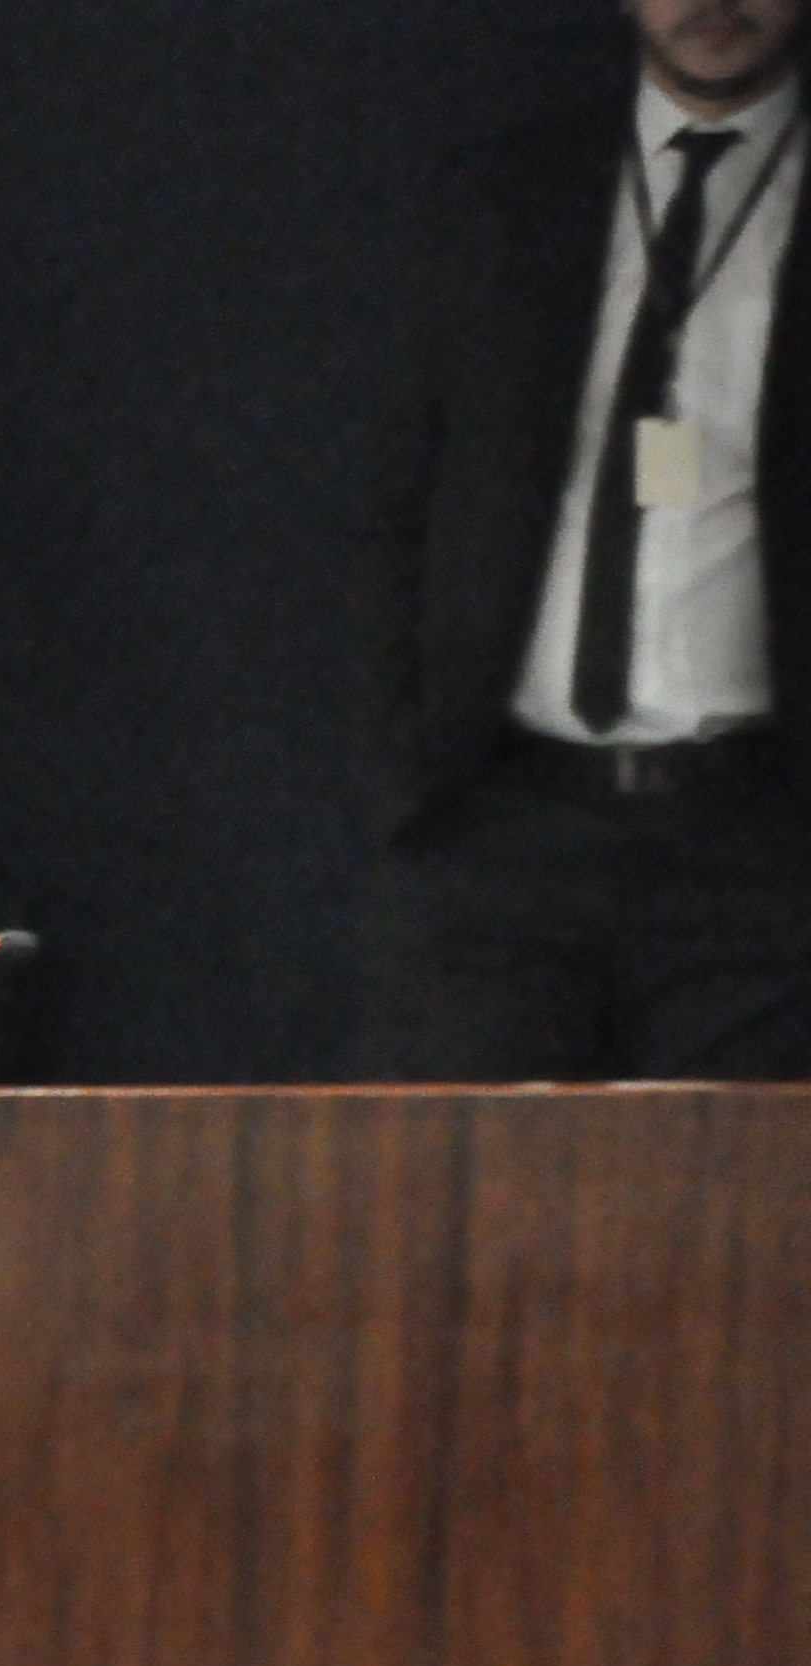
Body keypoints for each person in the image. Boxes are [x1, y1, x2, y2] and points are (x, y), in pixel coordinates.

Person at [353, 0, 811, 1079]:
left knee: (725, 1191)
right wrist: (406, 774)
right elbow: (401, 503)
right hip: (504, 826)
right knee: (468, 1181)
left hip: (757, 848)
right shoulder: (504, 197)